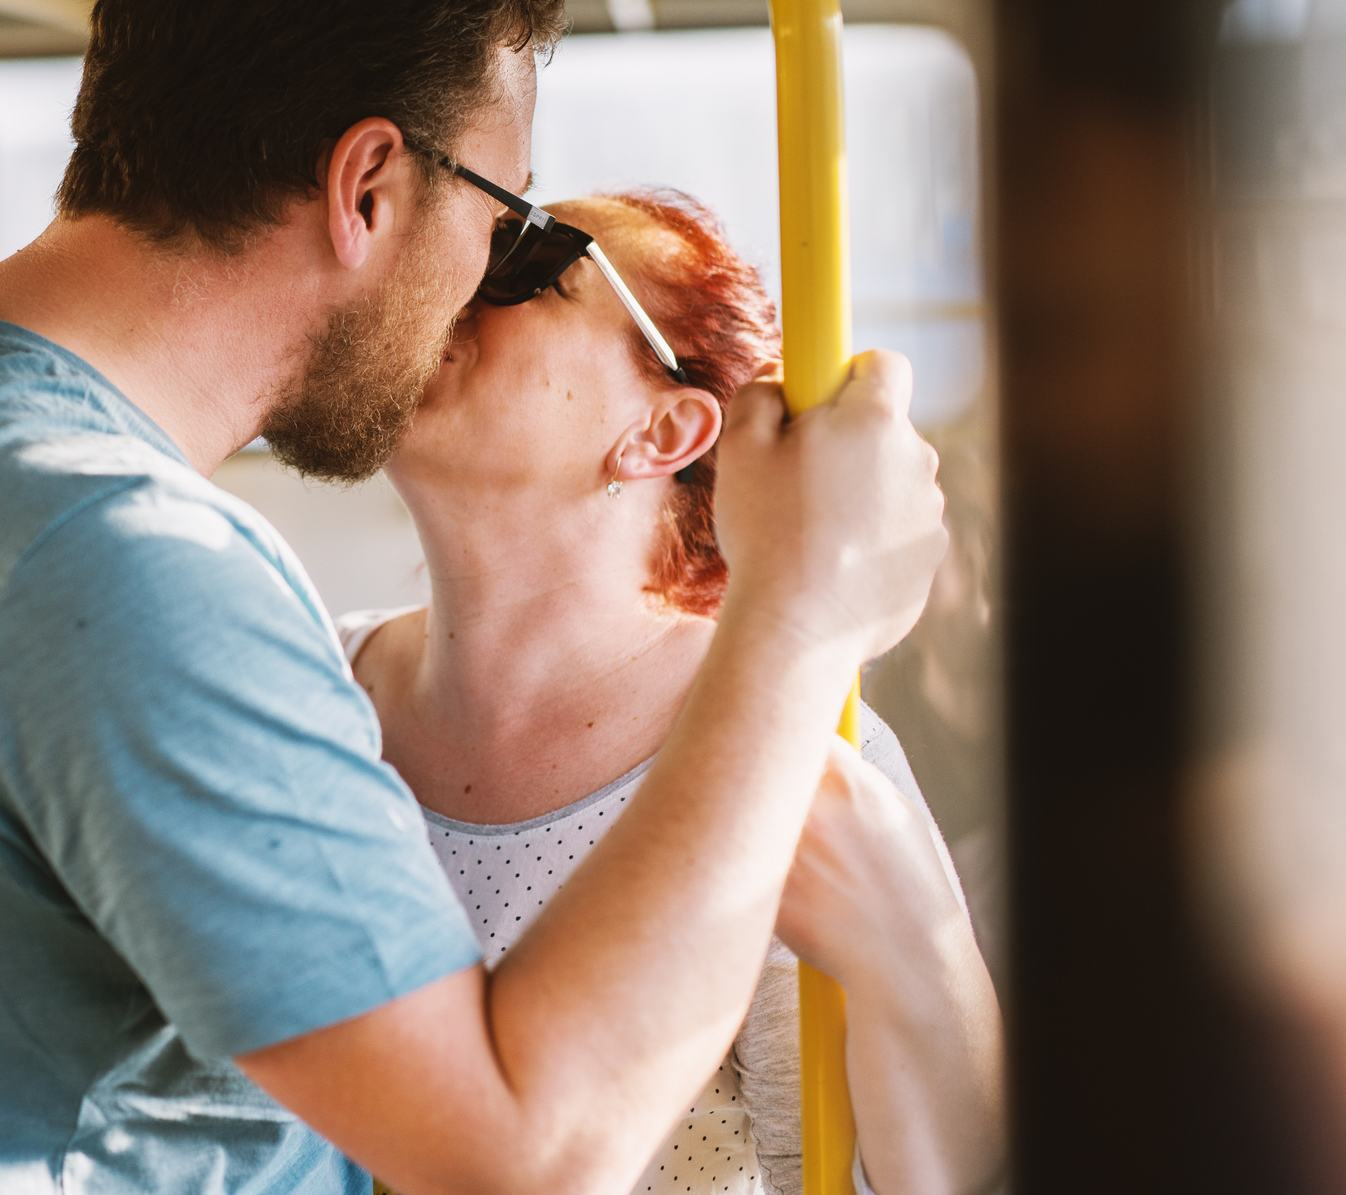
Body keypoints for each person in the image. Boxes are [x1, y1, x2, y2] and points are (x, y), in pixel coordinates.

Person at [0, 0, 945, 1195]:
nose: (476, 291)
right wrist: (799, 617)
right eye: (498, 224)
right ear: (368, 186)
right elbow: (527, 1153)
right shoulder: (120, 559)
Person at [346, 191, 1002, 1194]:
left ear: (663, 430)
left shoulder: (782, 736)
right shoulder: (304, 680)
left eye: (529, 265)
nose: (449, 285)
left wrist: (921, 943)